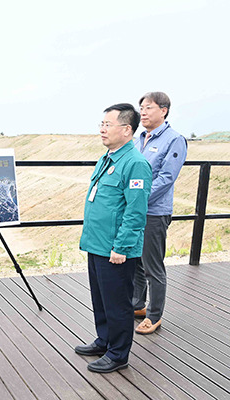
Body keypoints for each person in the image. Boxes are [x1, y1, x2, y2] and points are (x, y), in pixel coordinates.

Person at [75, 103, 152, 373]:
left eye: (108, 125)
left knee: (118, 302)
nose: (102, 129)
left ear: (127, 130)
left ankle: (118, 354)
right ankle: (104, 340)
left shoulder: (135, 164)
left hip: (115, 249)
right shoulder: (108, 157)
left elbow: (135, 211)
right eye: (102, 124)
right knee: (101, 298)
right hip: (97, 243)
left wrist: (122, 246)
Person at [133, 92, 187, 335]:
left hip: (154, 212)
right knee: (135, 261)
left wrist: (139, 200)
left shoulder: (174, 140)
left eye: (148, 108)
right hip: (134, 209)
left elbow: (166, 178)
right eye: (141, 108)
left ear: (163, 110)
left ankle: (154, 316)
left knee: (152, 265)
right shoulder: (138, 139)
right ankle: (137, 305)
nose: (143, 112)